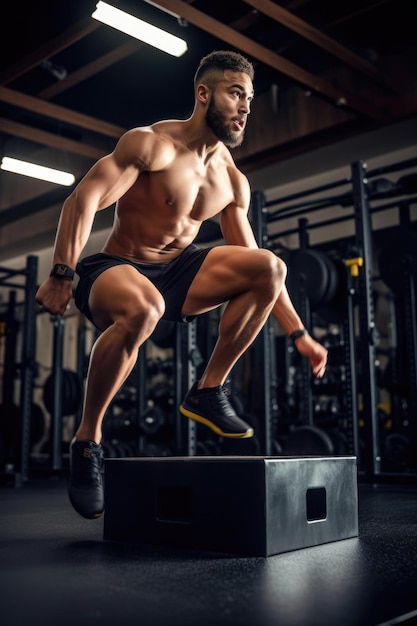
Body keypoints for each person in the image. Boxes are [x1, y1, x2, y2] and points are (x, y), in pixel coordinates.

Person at [35, 50, 328, 520]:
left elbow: (259, 272)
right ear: (204, 93)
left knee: (270, 265)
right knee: (145, 307)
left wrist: (300, 335)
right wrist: (62, 272)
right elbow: (82, 199)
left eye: (249, 97)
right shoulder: (151, 144)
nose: (246, 106)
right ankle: (88, 440)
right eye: (236, 93)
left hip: (178, 273)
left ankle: (209, 389)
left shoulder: (232, 180)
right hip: (114, 267)